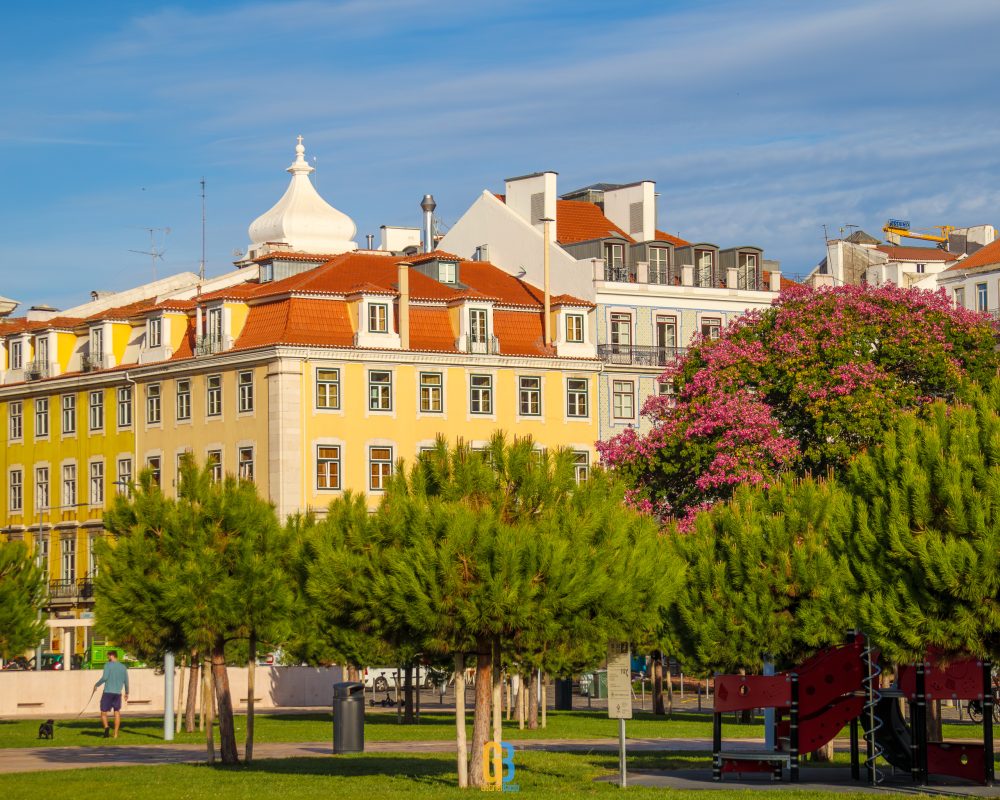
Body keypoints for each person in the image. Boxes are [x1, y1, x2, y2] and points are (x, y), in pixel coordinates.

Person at [95, 650, 129, 739]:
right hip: (118, 693)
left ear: (111, 656)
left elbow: (105, 677)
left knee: (103, 712)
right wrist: (127, 692)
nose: (107, 658)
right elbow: (126, 681)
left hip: (108, 692)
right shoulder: (123, 667)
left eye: (108, 656)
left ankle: (106, 727)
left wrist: (96, 685)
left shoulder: (107, 665)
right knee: (117, 712)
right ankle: (115, 734)